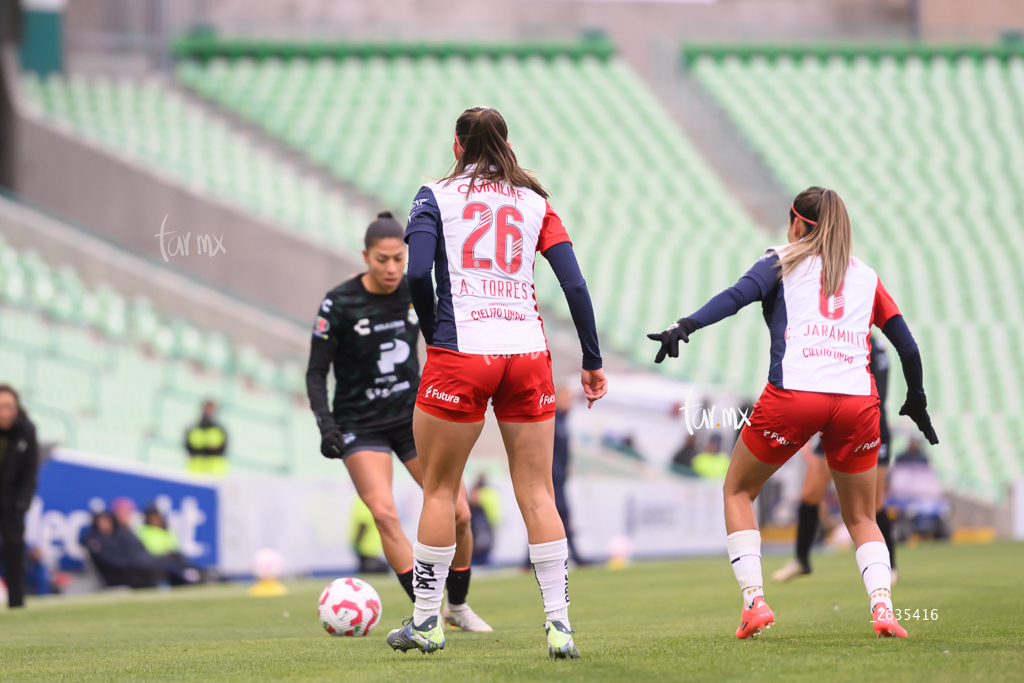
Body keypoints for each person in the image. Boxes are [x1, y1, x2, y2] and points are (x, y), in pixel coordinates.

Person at [648, 186, 938, 639]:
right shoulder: (865, 276)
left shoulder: (782, 259)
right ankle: (883, 608)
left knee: (738, 491)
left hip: (795, 395)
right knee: (862, 517)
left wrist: (685, 325)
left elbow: (736, 295)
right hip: (857, 404)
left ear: (798, 223)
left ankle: (754, 603)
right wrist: (916, 397)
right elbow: (908, 345)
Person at [386, 106, 607, 659]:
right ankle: (559, 626)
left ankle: (428, 623)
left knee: (440, 489)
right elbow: (575, 285)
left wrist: (433, 329)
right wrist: (592, 357)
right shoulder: (536, 202)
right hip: (528, 353)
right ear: (505, 144)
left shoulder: (433, 194)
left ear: (457, 146)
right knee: (538, 492)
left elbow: (416, 272)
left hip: (463, 349)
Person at [306, 210, 491, 632]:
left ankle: (458, 606)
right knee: (385, 514)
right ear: (365, 256)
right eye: (382, 259)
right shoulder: (340, 302)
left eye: (398, 259)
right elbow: (316, 372)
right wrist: (326, 424)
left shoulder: (416, 289)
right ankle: (429, 614)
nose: (391, 268)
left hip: (413, 418)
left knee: (461, 513)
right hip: (360, 423)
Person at [773, 339, 898, 582]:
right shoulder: (837, 339)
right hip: (834, 424)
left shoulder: (874, 347)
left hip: (870, 426)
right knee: (810, 494)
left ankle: (889, 566)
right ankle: (801, 560)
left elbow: (875, 393)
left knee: (874, 503)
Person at [0, 385, 38, 608]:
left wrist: (22, 504)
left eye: (9, 407)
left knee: (14, 550)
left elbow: (30, 473)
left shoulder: (27, 429)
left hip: (12, 503)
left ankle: (16, 604)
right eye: (0, 407)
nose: (5, 413)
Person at [81, 509, 164, 589]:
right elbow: (110, 560)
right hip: (114, 575)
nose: (105, 525)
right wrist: (131, 565)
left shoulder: (119, 535)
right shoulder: (94, 541)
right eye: (101, 522)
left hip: (130, 570)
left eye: (107, 521)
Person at [552, 386, 587, 565]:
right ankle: (577, 557)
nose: (569, 402)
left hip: (559, 479)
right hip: (553, 479)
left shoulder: (563, 422)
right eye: (565, 398)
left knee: (556, 517)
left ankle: (527, 562)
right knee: (561, 515)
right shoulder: (553, 421)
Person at [137, 505, 203, 585]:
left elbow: (175, 547)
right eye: (152, 517)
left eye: (156, 516)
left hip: (173, 557)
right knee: (172, 568)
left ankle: (203, 575)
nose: (155, 520)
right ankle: (190, 578)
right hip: (158, 560)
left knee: (185, 563)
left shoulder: (168, 532)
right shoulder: (143, 531)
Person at [185, 400, 228, 476]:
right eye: (207, 408)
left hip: (215, 473)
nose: (208, 411)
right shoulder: (193, 429)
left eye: (211, 409)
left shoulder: (220, 431)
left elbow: (222, 450)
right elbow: (188, 448)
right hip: (195, 471)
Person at [349, 498, 389, 573]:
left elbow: (363, 523)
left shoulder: (363, 500)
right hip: (366, 551)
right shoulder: (367, 499)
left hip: (366, 550)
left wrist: (356, 543)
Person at [468, 474, 500, 565]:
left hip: (486, 520)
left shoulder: (484, 490)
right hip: (486, 520)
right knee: (481, 542)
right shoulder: (489, 490)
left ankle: (482, 562)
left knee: (483, 542)